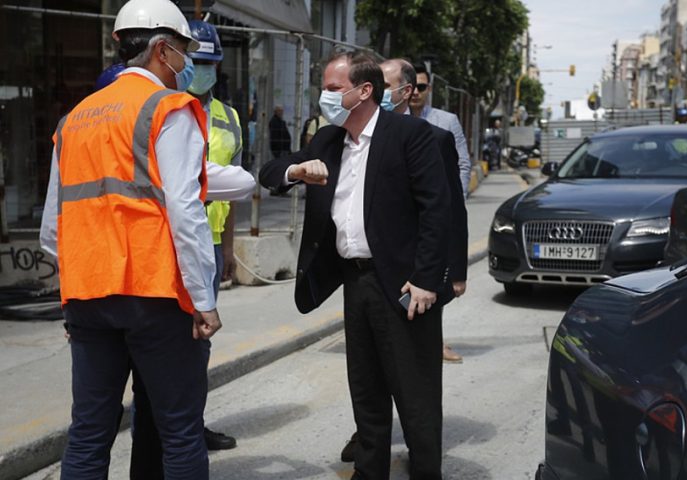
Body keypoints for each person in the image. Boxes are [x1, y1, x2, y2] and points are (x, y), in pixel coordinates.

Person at [39, 0, 220, 478]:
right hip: (154, 294)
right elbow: (185, 212)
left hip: (87, 296)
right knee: (179, 432)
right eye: (183, 52)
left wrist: (75, 292)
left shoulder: (73, 119)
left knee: (88, 432)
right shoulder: (168, 108)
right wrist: (203, 298)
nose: (186, 64)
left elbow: (52, 228)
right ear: (162, 50)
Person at [260, 52, 451, 480]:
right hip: (355, 281)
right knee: (365, 387)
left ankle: (426, 472)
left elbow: (437, 211)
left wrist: (425, 279)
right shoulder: (329, 140)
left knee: (415, 394)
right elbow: (270, 172)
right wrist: (297, 169)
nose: (324, 97)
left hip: (403, 285)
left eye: (333, 88)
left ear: (364, 90)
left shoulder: (409, 135)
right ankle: (369, 471)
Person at [127, 19, 255, 478]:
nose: (200, 70)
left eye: (210, 63)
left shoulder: (228, 117)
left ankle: (189, 424)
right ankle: (175, 431)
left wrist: (227, 247)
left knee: (194, 354)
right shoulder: (161, 109)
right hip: (165, 247)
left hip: (207, 241)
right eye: (195, 60)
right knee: (163, 358)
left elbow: (227, 187)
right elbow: (184, 194)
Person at [409, 63, 472, 198]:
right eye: (412, 87)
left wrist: (459, 198)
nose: (415, 92)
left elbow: (462, 164)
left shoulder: (448, 121)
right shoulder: (394, 120)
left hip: (440, 200)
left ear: (429, 89)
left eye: (421, 87)